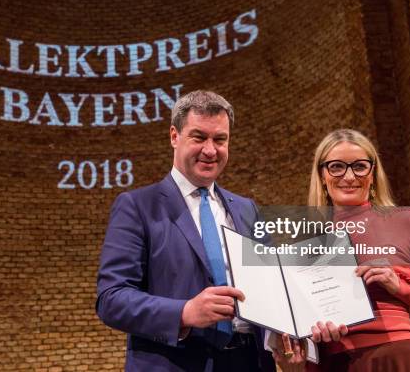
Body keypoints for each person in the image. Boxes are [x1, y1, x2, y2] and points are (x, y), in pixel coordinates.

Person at [96, 90, 275, 372]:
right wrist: (184, 312)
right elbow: (112, 299)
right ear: (174, 136)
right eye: (198, 137)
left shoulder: (247, 209)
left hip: (249, 362)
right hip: (174, 363)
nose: (210, 150)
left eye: (220, 139)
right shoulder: (137, 206)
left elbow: (273, 284)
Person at [274, 128, 410, 372]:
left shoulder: (409, 222)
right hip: (332, 365)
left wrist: (399, 286)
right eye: (336, 167)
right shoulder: (306, 242)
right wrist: (301, 345)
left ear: (373, 172)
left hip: (394, 359)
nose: (348, 176)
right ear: (322, 175)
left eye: (359, 166)